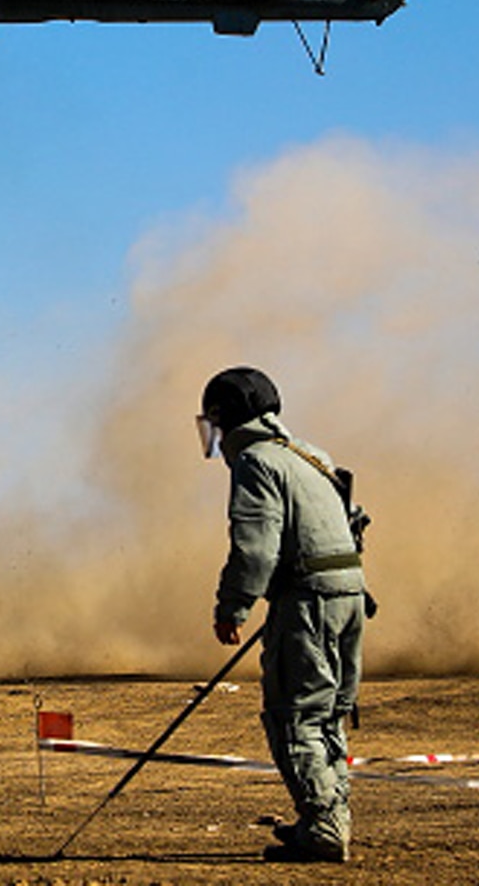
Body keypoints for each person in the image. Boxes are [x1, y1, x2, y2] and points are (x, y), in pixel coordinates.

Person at [199, 366, 367, 863]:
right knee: (329, 712)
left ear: (224, 417)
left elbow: (255, 547)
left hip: (309, 600)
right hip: (348, 596)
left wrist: (234, 607)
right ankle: (329, 814)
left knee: (294, 716)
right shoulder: (311, 456)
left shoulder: (255, 462)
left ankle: (324, 826)